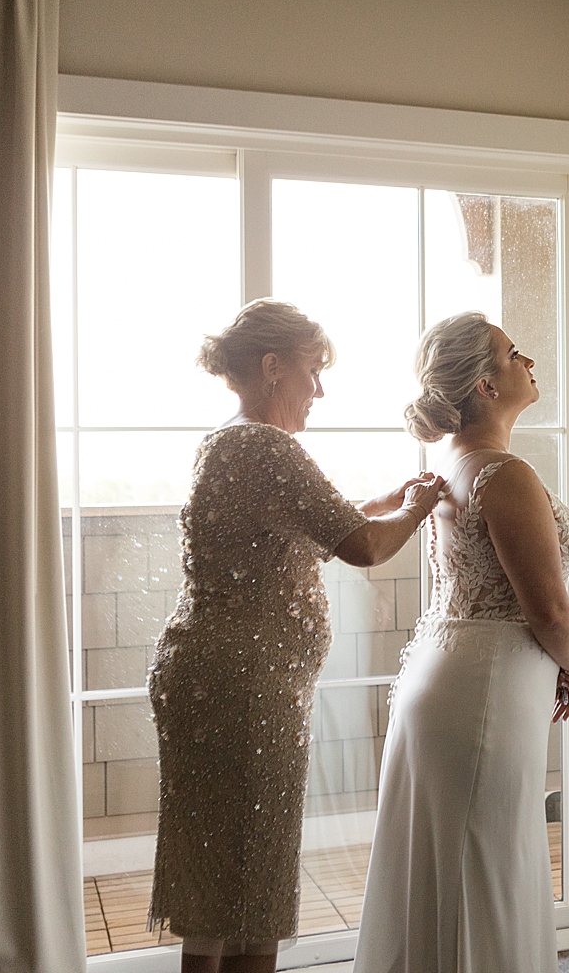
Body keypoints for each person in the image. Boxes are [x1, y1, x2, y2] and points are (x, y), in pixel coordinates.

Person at [147, 299, 445, 973]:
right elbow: (365, 546)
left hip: (228, 679)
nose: (319, 390)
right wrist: (417, 506)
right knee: (244, 879)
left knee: (231, 880)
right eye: (313, 372)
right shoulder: (264, 444)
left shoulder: (231, 440)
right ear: (273, 367)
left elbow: (312, 521)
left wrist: (385, 502)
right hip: (243, 688)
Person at [354, 312, 569, 973]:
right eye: (514, 354)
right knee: (483, 867)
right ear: (486, 384)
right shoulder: (504, 474)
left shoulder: (452, 467)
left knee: (455, 867)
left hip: (450, 673)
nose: (530, 364)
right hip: (486, 687)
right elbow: (547, 608)